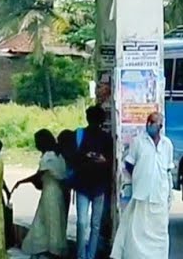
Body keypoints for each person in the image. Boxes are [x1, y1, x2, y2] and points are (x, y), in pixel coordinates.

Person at [110, 112, 174, 259]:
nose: (149, 125)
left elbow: (168, 169)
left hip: (160, 196)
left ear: (160, 126)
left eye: (153, 122)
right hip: (141, 195)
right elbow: (129, 164)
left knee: (160, 233)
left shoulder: (167, 145)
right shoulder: (138, 142)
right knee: (137, 232)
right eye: (148, 122)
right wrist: (141, 177)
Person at [15, 129, 70, 258]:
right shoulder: (58, 155)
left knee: (48, 222)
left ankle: (51, 250)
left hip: (50, 194)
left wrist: (21, 182)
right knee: (51, 221)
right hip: (57, 193)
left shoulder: (48, 157)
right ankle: (49, 250)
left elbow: (38, 177)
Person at [71, 105, 112, 259]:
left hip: (95, 186)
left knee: (87, 223)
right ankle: (83, 255)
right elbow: (74, 158)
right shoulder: (81, 134)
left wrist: (101, 160)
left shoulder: (83, 135)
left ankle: (88, 255)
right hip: (86, 185)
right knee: (89, 224)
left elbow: (109, 162)